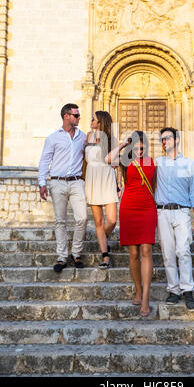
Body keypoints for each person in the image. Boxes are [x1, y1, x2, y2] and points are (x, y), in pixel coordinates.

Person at [155, 127, 194, 311]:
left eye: (167, 138)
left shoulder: (189, 164)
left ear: (177, 140)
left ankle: (187, 290)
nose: (164, 142)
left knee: (183, 250)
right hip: (163, 212)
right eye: (162, 140)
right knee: (167, 252)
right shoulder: (157, 163)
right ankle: (173, 289)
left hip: (182, 212)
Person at [38, 103, 88, 273]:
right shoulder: (53, 138)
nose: (79, 117)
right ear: (66, 116)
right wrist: (42, 183)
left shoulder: (83, 137)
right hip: (57, 182)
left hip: (76, 182)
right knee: (60, 220)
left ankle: (76, 253)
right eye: (76, 115)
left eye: (78, 115)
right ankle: (62, 256)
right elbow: (45, 160)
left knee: (82, 218)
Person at [117, 131, 157, 318]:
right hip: (128, 208)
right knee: (133, 253)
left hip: (147, 208)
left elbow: (154, 184)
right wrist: (123, 145)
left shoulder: (151, 162)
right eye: (136, 147)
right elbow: (108, 160)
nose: (139, 150)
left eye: (142, 147)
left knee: (146, 251)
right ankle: (138, 290)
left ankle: (146, 297)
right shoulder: (124, 162)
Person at [84, 111, 119, 269]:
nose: (91, 121)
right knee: (98, 221)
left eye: (94, 119)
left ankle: (102, 237)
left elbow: (116, 163)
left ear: (101, 122)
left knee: (112, 220)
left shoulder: (112, 140)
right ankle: (105, 257)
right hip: (92, 177)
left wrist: (119, 185)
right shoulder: (88, 136)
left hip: (107, 177)